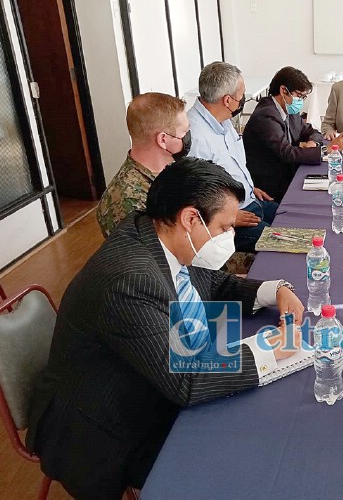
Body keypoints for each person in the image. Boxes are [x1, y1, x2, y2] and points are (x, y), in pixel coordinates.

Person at [26, 158, 304, 500]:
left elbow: (211, 283)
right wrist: (268, 350)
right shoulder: (130, 280)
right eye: (224, 227)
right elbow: (185, 381)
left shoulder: (156, 232)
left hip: (144, 380)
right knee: (244, 461)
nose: (230, 237)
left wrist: (274, 290)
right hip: (104, 429)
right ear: (190, 218)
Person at [188, 62, 278, 252]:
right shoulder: (194, 136)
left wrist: (248, 186)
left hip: (251, 199)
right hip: (229, 219)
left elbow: (231, 164)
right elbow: (194, 194)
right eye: (241, 96)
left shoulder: (224, 120)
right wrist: (228, 217)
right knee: (283, 243)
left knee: (295, 218)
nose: (243, 100)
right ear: (227, 100)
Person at [243, 66, 343, 201]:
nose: (301, 101)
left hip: (289, 173)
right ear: (283, 91)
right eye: (299, 96)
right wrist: (326, 149)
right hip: (271, 185)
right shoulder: (266, 116)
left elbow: (312, 131)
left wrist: (313, 143)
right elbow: (287, 153)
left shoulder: (289, 110)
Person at [96, 92, 190, 237]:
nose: (188, 137)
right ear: (163, 140)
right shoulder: (126, 201)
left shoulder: (170, 170)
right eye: (184, 132)